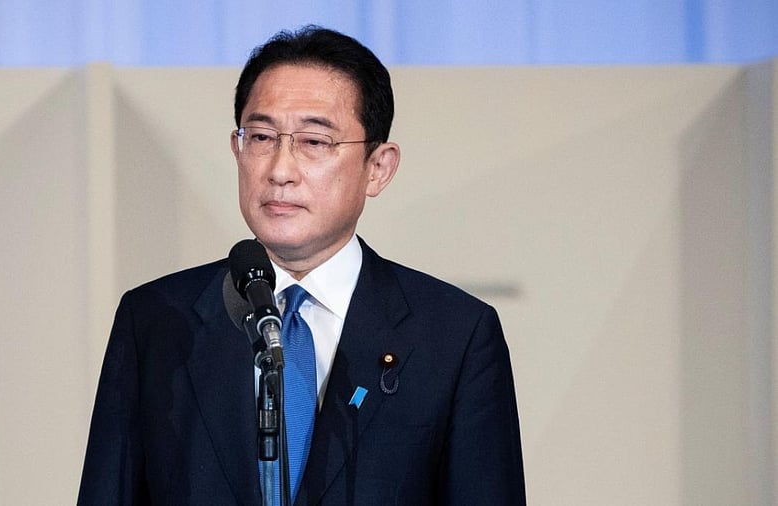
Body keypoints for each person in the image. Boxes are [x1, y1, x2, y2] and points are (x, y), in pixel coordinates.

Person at [78, 25, 525, 505]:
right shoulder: (157, 321)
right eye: (263, 137)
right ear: (237, 148)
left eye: (314, 142)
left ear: (378, 167)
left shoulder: (455, 336)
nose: (280, 170)